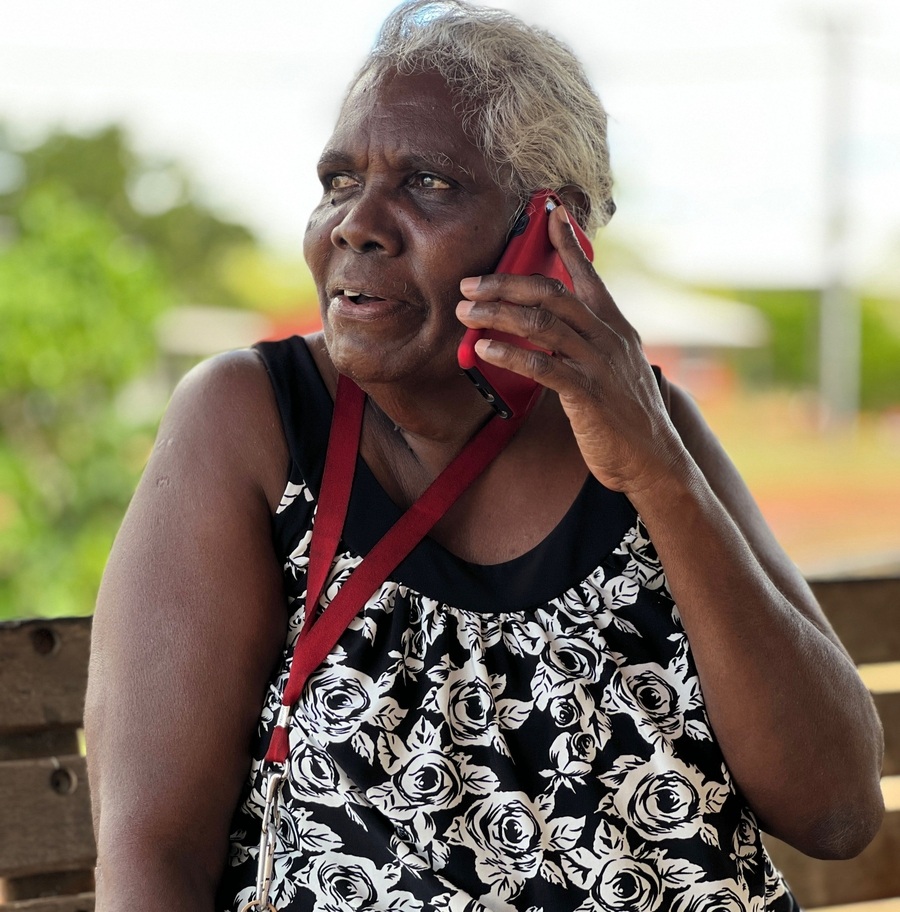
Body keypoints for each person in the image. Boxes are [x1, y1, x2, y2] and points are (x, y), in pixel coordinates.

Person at [85, 2, 885, 910]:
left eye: (427, 183)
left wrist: (657, 472)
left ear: (557, 230)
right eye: (338, 181)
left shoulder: (648, 430)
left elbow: (837, 812)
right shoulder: (255, 419)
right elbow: (152, 854)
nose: (358, 224)